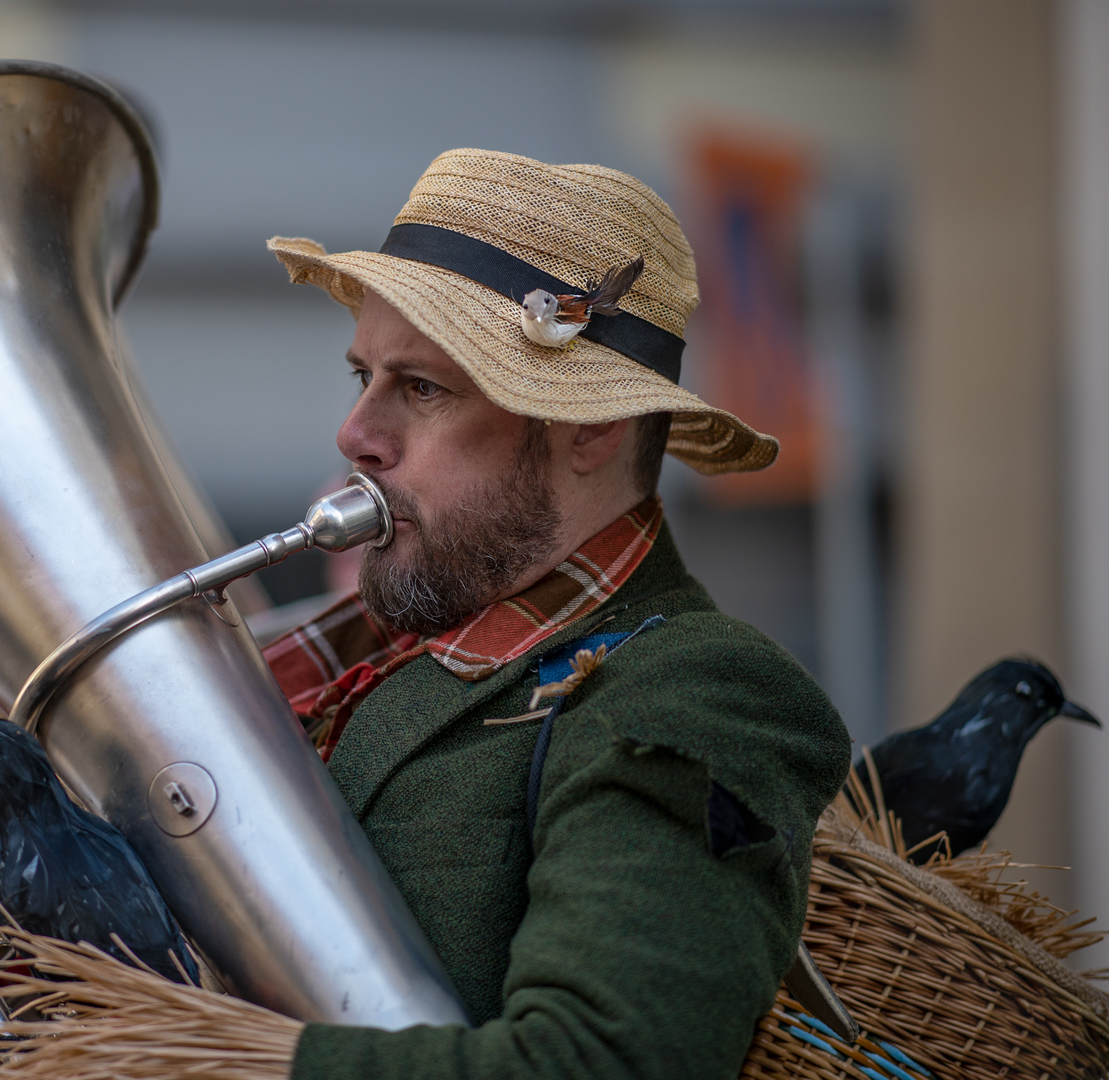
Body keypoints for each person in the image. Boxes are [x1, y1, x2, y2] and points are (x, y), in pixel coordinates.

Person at [257, 149, 851, 1078]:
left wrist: (235, 1063)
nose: (356, 433)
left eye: (421, 388)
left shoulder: (700, 689)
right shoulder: (396, 644)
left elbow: (599, 1063)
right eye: (361, 375)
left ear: (589, 428)